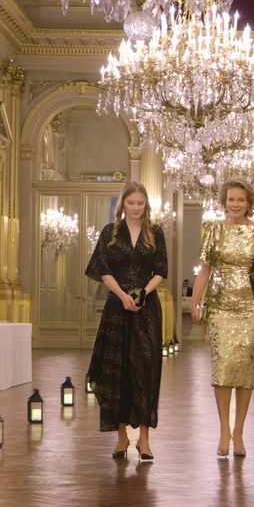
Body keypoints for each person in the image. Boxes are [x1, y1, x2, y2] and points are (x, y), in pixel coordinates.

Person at [85, 181, 168, 461]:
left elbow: (161, 270)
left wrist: (142, 293)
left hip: (147, 310)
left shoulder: (156, 233)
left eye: (140, 203)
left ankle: (144, 439)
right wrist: (122, 295)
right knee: (116, 372)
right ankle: (121, 437)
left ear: (146, 205)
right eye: (130, 203)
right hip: (117, 308)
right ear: (123, 204)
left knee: (145, 371)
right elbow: (101, 268)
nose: (135, 208)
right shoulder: (110, 232)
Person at [191, 180, 254, 458]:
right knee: (223, 369)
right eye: (231, 199)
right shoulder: (214, 230)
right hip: (220, 305)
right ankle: (224, 429)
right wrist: (196, 301)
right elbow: (204, 269)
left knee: (244, 370)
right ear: (224, 202)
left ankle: (239, 431)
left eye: (240, 200)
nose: (235, 204)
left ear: (249, 202)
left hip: (250, 306)